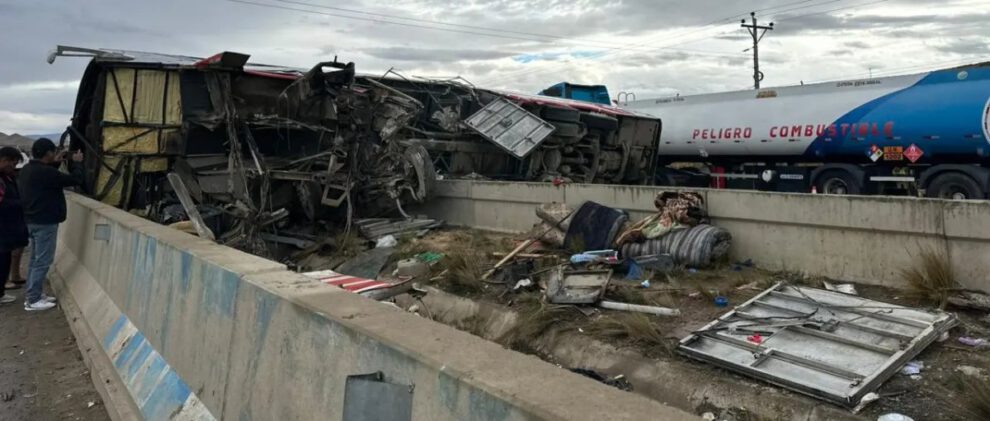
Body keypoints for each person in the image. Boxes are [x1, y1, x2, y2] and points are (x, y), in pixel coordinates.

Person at [18, 138, 84, 311]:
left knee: (34, 260)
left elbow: (46, 178)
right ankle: (33, 300)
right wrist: (77, 163)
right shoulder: (46, 173)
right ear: (48, 153)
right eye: (53, 152)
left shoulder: (27, 170)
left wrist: (55, 163)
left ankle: (34, 294)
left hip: (31, 221)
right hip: (45, 223)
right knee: (42, 261)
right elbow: (75, 180)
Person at [0, 146, 29, 305]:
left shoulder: (7, 177)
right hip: (3, 229)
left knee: (4, 261)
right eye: (13, 163)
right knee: (2, 262)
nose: (14, 166)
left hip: (7, 228)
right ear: (4, 160)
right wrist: (21, 204)